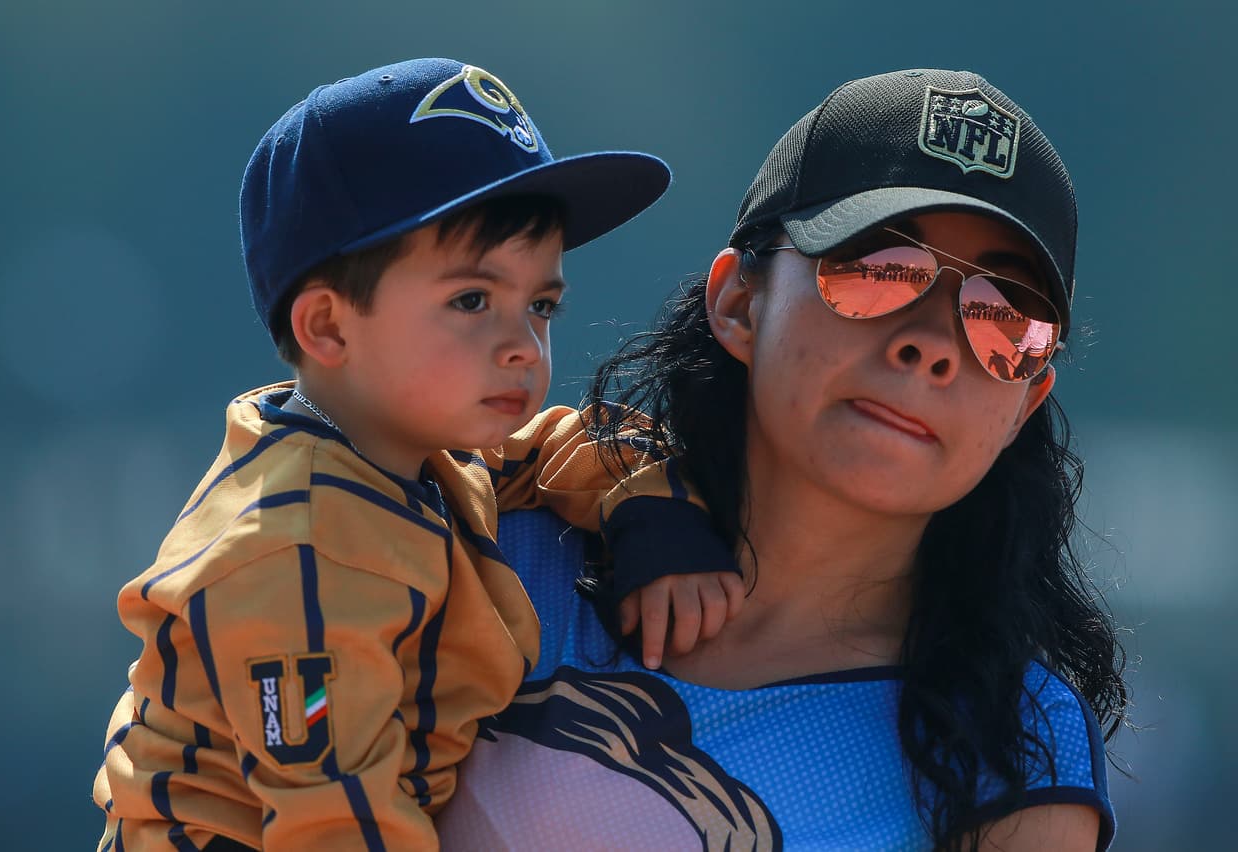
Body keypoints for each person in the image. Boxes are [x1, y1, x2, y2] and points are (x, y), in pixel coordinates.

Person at [437, 69, 1128, 851]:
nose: (932, 345)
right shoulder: (496, 556)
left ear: (1025, 404)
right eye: (881, 269)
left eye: (1004, 318)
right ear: (738, 302)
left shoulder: (1015, 746)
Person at [91, 58, 743, 851]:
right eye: (472, 300)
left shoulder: (404, 445)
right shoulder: (294, 556)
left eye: (540, 304)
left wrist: (657, 513)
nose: (523, 345)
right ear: (327, 327)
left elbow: (560, 445)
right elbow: (335, 821)